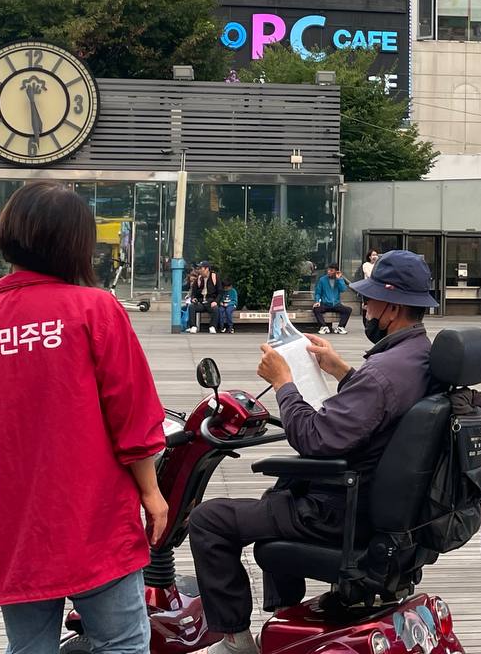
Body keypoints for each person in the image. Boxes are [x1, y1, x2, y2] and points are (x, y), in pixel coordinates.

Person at [0, 181, 167, 654]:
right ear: (76, 243)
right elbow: (133, 415)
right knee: (122, 642)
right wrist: (151, 492)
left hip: (10, 525)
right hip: (93, 517)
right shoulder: (95, 310)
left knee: (28, 647)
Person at [188, 250, 437, 654]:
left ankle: (235, 642)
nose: (364, 308)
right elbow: (383, 407)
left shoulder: (383, 373)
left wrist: (284, 383)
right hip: (383, 508)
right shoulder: (418, 357)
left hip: (339, 511)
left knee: (208, 520)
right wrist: (340, 370)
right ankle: (287, 620)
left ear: (391, 307)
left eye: (369, 300)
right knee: (278, 496)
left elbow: (314, 439)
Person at [312, 263, 351, 334]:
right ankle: (323, 327)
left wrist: (339, 279)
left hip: (336, 304)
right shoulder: (322, 280)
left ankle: (340, 327)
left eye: (331, 270)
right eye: (328, 270)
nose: (329, 272)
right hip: (325, 304)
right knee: (316, 309)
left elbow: (343, 289)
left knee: (348, 310)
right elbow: (318, 293)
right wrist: (317, 301)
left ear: (336, 271)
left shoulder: (339, 279)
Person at [187, 262, 224, 334]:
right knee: (191, 306)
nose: (200, 270)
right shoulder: (198, 279)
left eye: (201, 268)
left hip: (211, 302)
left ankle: (213, 326)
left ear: (207, 269)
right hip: (201, 302)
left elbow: (220, 292)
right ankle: (193, 326)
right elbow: (193, 293)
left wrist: (216, 301)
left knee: (215, 308)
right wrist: (193, 298)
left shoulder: (215, 277)